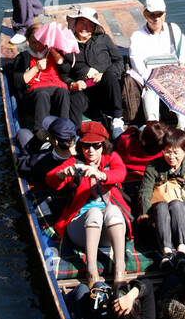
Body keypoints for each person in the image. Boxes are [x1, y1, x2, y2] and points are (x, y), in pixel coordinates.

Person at [44, 122, 131, 290]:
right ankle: (91, 271)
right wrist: (63, 174)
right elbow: (50, 179)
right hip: (80, 229)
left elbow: (121, 173)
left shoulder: (111, 159)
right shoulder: (75, 163)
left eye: (95, 146)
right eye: (85, 146)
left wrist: (102, 175)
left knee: (113, 210)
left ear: (102, 146)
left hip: (107, 231)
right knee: (94, 212)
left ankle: (120, 269)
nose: (90, 150)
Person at [136, 128, 185, 268]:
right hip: (158, 217)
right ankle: (166, 253)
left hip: (183, 219)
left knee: (176, 204)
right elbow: (145, 193)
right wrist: (147, 216)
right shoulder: (153, 167)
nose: (171, 156)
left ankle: (181, 251)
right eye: (167, 151)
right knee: (161, 206)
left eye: (175, 152)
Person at [59, 6, 125, 139]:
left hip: (106, 91)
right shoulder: (67, 45)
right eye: (82, 22)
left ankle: (117, 119)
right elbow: (64, 75)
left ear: (94, 27)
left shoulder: (103, 39)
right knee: (74, 98)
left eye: (90, 24)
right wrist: (73, 84)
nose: (85, 27)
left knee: (110, 75)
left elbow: (119, 61)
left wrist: (103, 74)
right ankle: (75, 135)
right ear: (76, 24)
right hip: (85, 93)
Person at [128, 0, 185, 125]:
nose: (156, 18)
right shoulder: (138, 36)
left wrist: (183, 64)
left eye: (159, 14)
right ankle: (153, 124)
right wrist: (150, 78)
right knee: (150, 91)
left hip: (174, 73)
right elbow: (136, 60)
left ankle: (182, 125)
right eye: (152, 14)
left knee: (182, 88)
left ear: (165, 14)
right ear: (145, 14)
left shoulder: (174, 29)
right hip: (152, 75)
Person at [9, 18, 71, 130]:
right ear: (28, 41)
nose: (37, 46)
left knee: (63, 92)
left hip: (56, 88)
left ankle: (64, 130)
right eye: (33, 43)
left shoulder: (53, 53)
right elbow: (18, 83)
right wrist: (36, 68)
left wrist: (53, 52)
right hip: (35, 93)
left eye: (41, 42)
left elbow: (66, 70)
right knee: (42, 94)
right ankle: (40, 132)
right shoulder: (23, 57)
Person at [16, 116, 77, 181]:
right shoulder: (82, 150)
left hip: (38, 171)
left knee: (22, 133)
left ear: (55, 142)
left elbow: (21, 166)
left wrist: (37, 140)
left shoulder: (40, 160)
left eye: (49, 133)